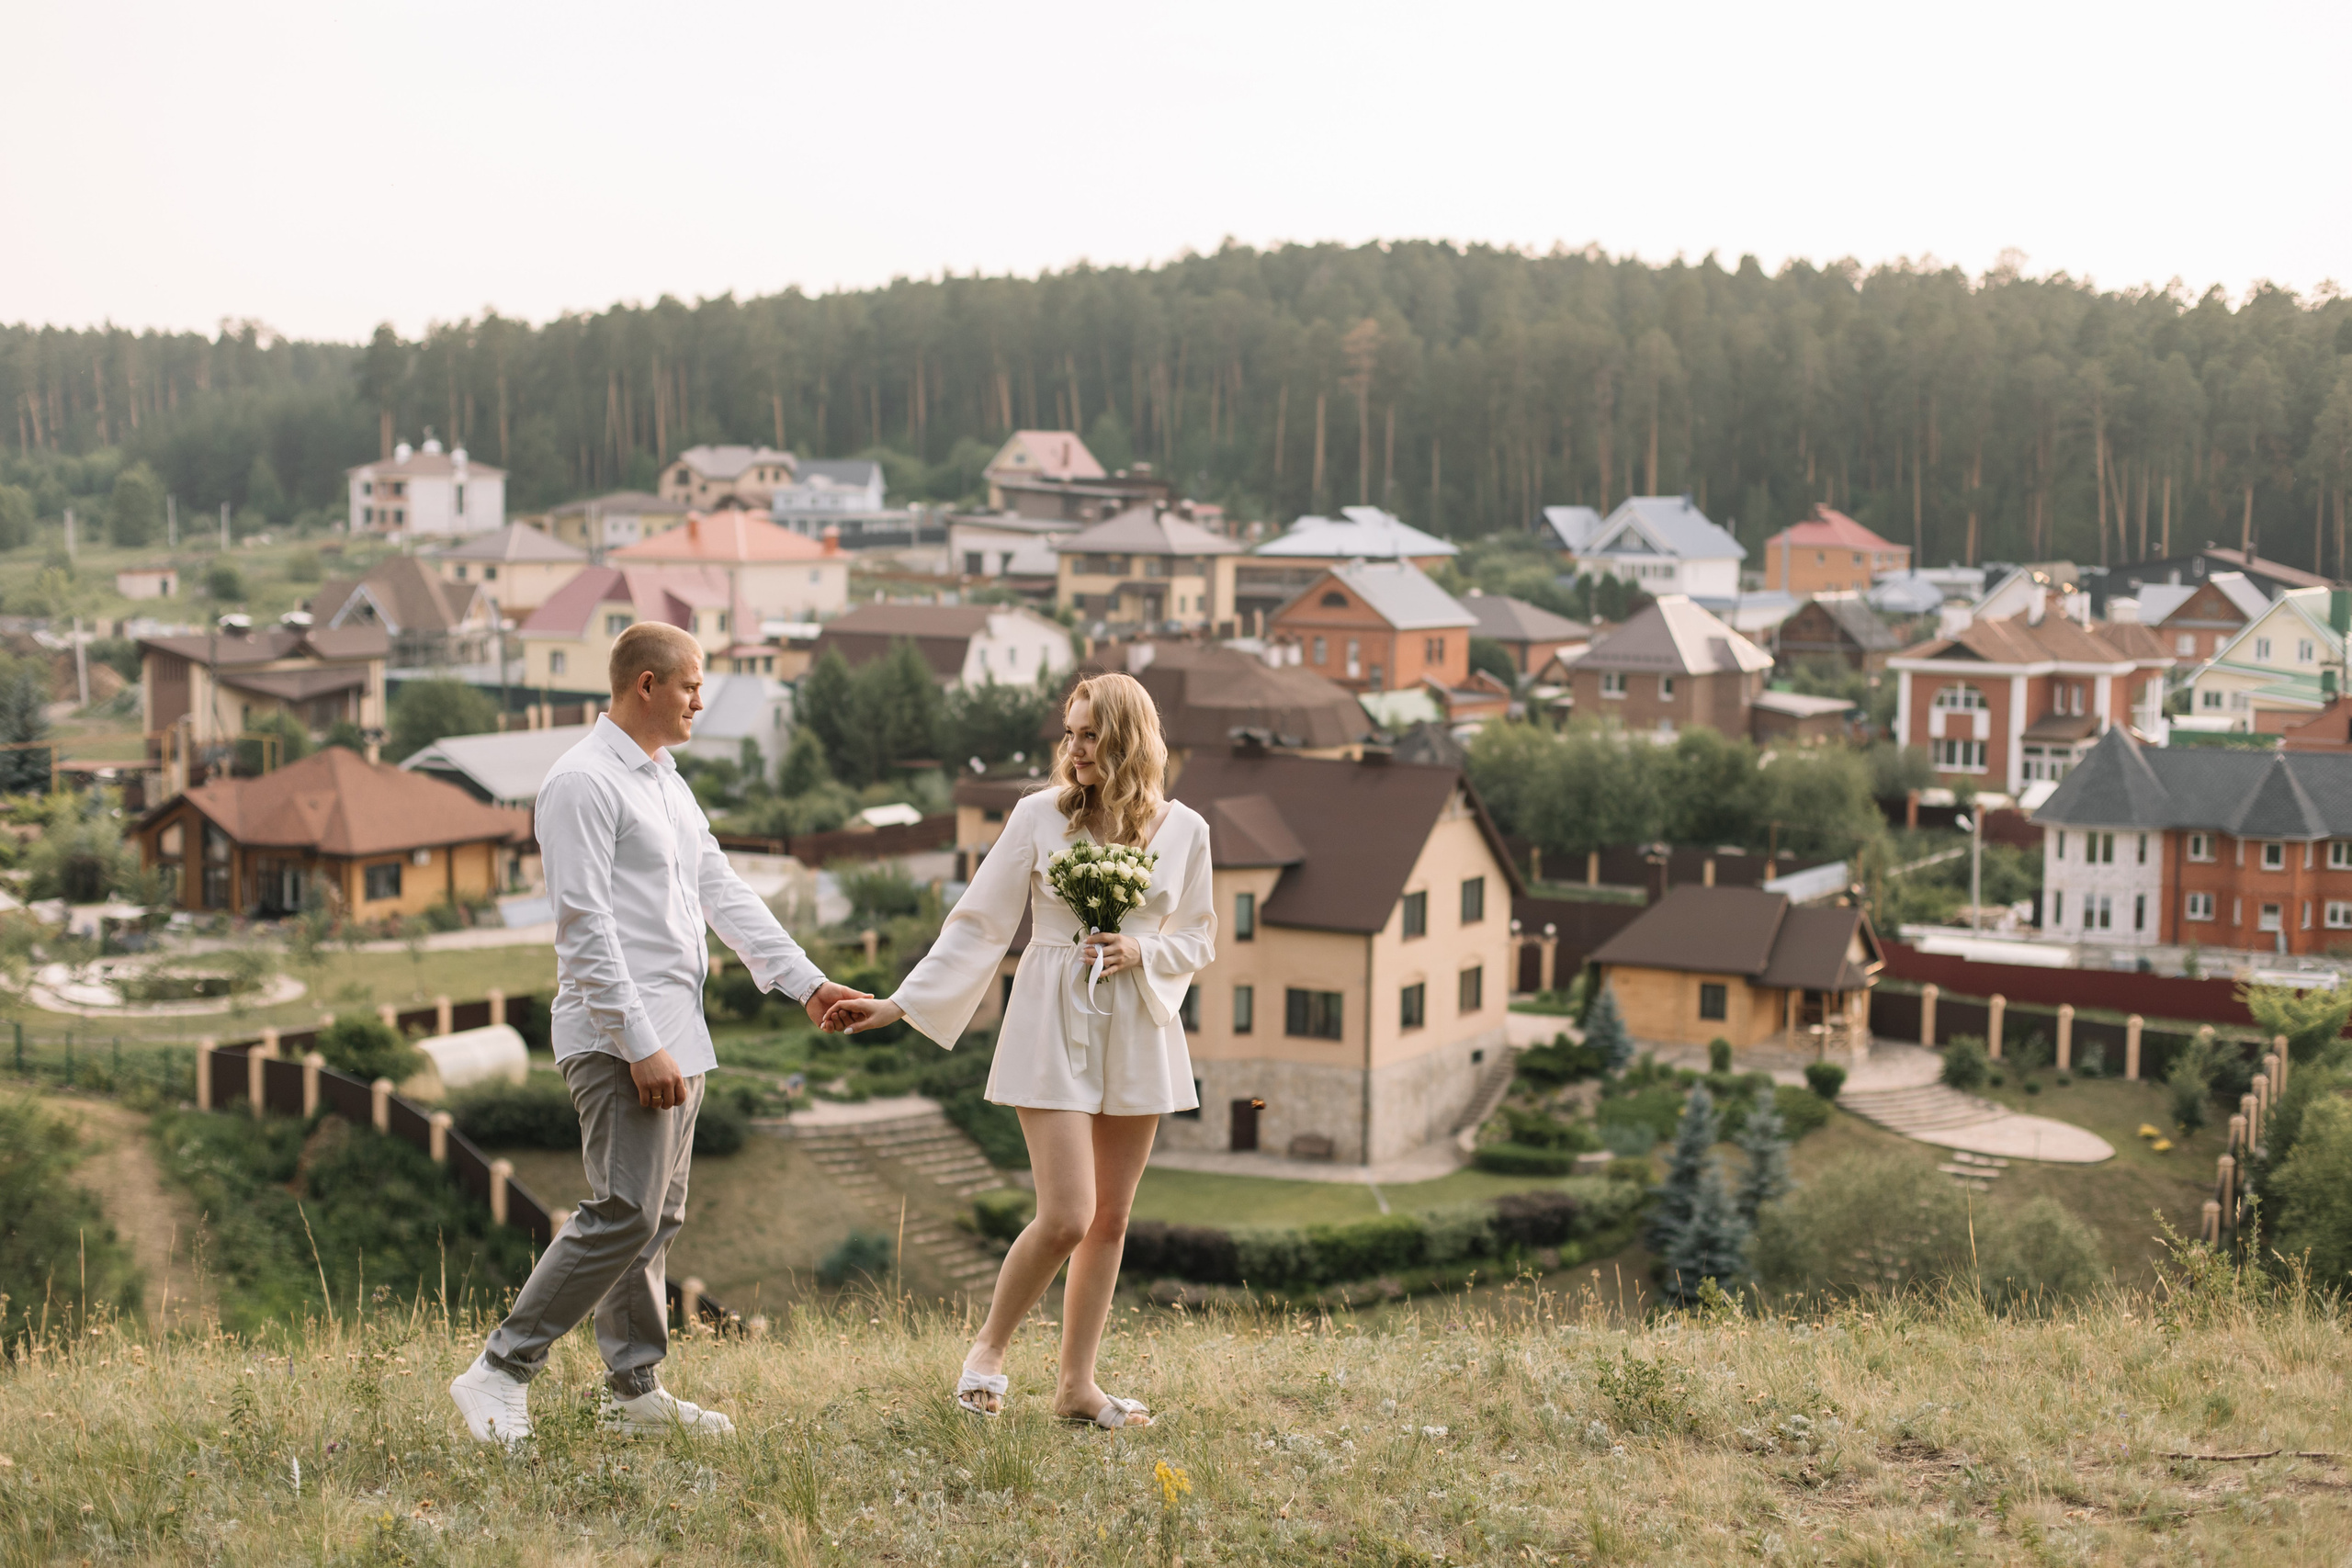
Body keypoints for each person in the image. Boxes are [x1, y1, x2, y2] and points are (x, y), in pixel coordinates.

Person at [449, 622, 865, 1445]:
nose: (700, 702)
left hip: (682, 1033)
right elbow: (584, 927)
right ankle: (499, 1369)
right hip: (619, 1038)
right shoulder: (580, 783)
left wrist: (806, 982)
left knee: (657, 1219)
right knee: (624, 1212)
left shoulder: (667, 782)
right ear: (645, 684)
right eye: (690, 686)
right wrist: (638, 1042)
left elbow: (725, 890)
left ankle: (632, 1388)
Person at [825, 671, 1213, 1428]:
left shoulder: (1185, 829)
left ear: (1130, 738)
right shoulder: (1038, 816)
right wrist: (900, 1002)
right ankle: (988, 1353)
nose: (1073, 748)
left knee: (1111, 1218)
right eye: (1068, 733)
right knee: (1068, 1212)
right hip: (1050, 1016)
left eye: (1090, 733)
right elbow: (978, 923)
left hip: (1138, 1020)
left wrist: (1143, 953)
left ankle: (1076, 1387)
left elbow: (1198, 934)